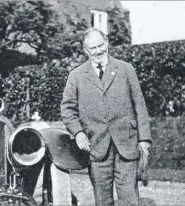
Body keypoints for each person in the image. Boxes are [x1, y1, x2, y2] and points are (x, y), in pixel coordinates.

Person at [61, 28, 152, 206]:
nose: (98, 51)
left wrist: (144, 139)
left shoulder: (126, 69)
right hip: (96, 146)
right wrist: (78, 133)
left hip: (127, 143)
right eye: (92, 48)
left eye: (101, 45)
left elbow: (139, 105)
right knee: (102, 200)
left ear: (107, 43)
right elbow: (67, 109)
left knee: (130, 199)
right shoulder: (76, 76)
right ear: (86, 51)